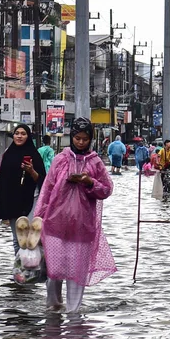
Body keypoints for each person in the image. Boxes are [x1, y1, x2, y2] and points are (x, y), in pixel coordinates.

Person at [34, 118, 115, 312]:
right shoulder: (60, 159)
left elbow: (107, 189)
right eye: (77, 138)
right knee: (53, 272)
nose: (80, 142)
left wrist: (90, 182)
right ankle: (53, 310)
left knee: (77, 274)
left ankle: (74, 315)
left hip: (82, 226)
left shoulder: (95, 162)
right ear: (72, 137)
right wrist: (38, 218)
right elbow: (47, 189)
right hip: (55, 224)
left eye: (85, 139)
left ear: (90, 139)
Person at [0, 124, 47, 253]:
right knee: (17, 238)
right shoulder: (8, 154)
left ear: (28, 136)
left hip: (31, 199)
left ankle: (32, 267)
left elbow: (42, 180)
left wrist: (31, 170)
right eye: (17, 133)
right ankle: (19, 268)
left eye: (23, 134)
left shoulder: (34, 155)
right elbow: (3, 182)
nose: (19, 136)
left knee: (31, 237)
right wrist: (3, 208)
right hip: (13, 201)